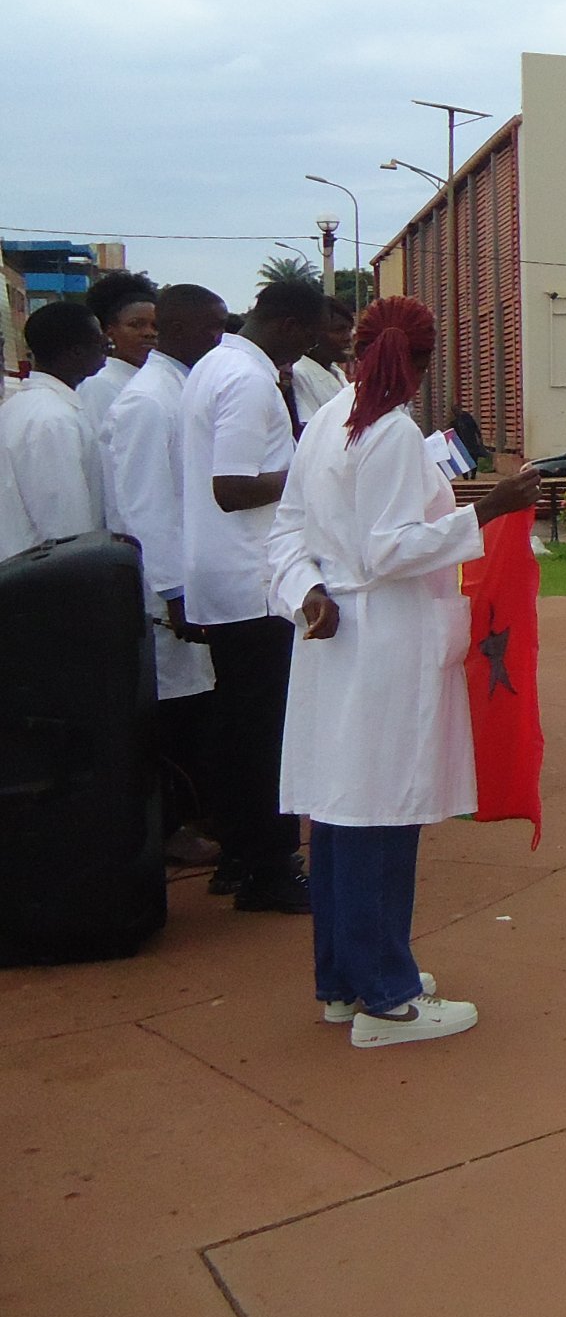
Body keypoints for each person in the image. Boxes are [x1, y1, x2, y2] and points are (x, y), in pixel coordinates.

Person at [269, 298, 540, 1047]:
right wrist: (487, 511)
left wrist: (305, 591)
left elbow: (287, 528)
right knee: (381, 815)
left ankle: (343, 981)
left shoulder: (329, 420)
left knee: (340, 811)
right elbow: (388, 550)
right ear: (422, 362)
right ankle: (387, 998)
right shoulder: (387, 431)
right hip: (385, 639)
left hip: (338, 636)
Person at [183, 276, 327, 913]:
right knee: (265, 731)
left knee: (239, 725)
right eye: (310, 337)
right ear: (290, 326)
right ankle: (270, 868)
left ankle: (242, 857)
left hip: (230, 572)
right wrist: (307, 472)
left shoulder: (215, 365)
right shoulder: (246, 379)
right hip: (252, 578)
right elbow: (233, 487)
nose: (309, 351)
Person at [98, 284, 224, 836]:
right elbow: (145, 506)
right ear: (177, 329)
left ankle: (203, 821)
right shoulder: (148, 400)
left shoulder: (183, 387)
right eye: (211, 328)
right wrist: (174, 592)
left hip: (194, 580)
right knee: (176, 715)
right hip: (166, 593)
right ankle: (176, 830)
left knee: (200, 709)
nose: (220, 339)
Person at [0, 300, 109, 559]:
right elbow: (64, 520)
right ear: (76, 351)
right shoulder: (53, 418)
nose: (107, 347)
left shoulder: (23, 405)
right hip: (47, 572)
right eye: (100, 342)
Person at [78, 271, 156, 434]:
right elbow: (99, 444)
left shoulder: (157, 378)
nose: (149, 333)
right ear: (110, 331)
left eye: (156, 326)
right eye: (136, 325)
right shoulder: (100, 384)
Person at [287, 297, 357, 414]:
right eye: (338, 330)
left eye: (349, 329)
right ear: (313, 332)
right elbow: (310, 422)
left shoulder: (336, 372)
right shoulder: (299, 374)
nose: (348, 337)